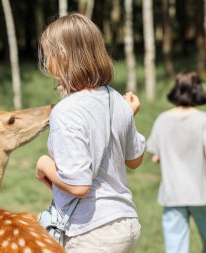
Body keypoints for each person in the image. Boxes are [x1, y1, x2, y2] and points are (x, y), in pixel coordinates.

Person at [35, 13, 146, 253]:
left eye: (48, 54)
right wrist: (127, 117)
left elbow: (79, 185)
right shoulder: (115, 99)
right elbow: (135, 160)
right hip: (126, 223)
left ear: (62, 55)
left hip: (91, 232)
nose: (46, 62)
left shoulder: (65, 111)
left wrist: (44, 165)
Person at [147, 71, 206, 253]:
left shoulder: (162, 119)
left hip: (172, 194)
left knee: (175, 247)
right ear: (198, 90)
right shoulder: (204, 120)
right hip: (200, 193)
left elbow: (155, 156)